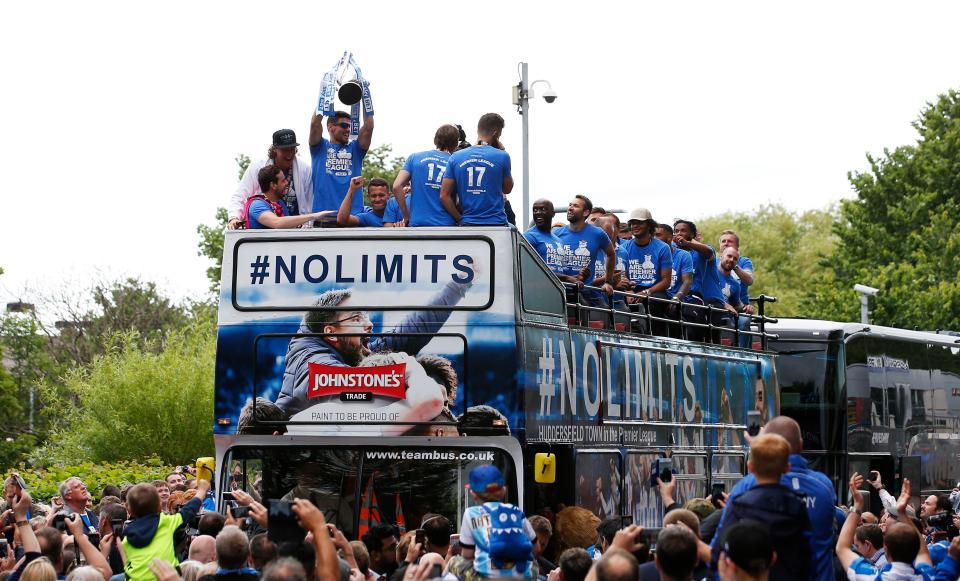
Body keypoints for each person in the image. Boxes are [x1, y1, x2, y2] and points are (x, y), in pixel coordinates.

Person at [276, 276, 473, 418]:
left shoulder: (349, 351)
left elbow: (408, 334)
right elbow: (342, 383)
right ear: (331, 332)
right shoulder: (310, 361)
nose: (369, 324)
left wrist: (458, 286)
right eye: (356, 318)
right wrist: (413, 379)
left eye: (366, 315)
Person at [712, 416, 835, 581]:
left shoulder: (745, 489)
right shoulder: (824, 487)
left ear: (751, 466)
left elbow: (719, 549)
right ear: (800, 445)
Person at [837, 474, 936, 580]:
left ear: (886, 549)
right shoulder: (928, 575)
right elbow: (923, 553)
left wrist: (857, 504)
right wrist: (902, 513)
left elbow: (842, 548)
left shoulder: (871, 576)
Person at [121, 467, 210, 580]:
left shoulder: (126, 537)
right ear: (159, 507)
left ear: (130, 511)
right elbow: (189, 509)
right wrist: (202, 490)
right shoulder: (167, 522)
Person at [452, 465, 536, 580]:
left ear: (473, 494)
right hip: (522, 576)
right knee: (534, 562)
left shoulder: (470, 513)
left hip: (488, 578)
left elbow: (467, 555)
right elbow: (535, 548)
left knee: (455, 561)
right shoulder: (515, 511)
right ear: (503, 491)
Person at [228, 129, 313, 229]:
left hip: (296, 232)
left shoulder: (304, 169)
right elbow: (240, 195)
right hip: (266, 232)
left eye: (292, 149)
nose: (289, 154)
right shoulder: (258, 167)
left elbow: (310, 201)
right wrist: (234, 217)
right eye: (285, 150)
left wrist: (308, 226)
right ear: (275, 149)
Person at [439, 113, 513, 225]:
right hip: (496, 223)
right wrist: (501, 149)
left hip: (468, 223)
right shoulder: (502, 156)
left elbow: (444, 195)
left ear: (478, 130)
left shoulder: (455, 157)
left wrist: (459, 219)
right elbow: (507, 189)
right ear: (495, 133)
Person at [553, 195, 615, 320]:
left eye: (576, 206)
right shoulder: (556, 234)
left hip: (586, 291)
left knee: (605, 317)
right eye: (570, 205)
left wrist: (608, 281)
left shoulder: (597, 233)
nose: (570, 208)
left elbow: (611, 253)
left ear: (586, 212)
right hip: (560, 291)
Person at [309, 107, 374, 219]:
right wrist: (325, 93)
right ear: (330, 127)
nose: (348, 129)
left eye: (349, 126)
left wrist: (364, 94)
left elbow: (368, 127)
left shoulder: (356, 148)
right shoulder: (320, 147)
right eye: (344, 125)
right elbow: (315, 123)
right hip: (323, 217)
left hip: (352, 217)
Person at [672, 220, 728, 343]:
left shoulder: (701, 252)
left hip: (708, 300)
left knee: (709, 336)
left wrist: (688, 242)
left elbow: (708, 252)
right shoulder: (673, 252)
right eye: (676, 231)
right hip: (680, 296)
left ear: (692, 234)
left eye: (683, 230)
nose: (679, 233)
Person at [393, 125, 460, 227]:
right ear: (456, 144)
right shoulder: (456, 162)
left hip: (417, 224)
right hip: (446, 226)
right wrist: (459, 219)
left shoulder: (414, 157)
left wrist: (406, 216)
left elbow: (396, 186)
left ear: (435, 140)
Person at [620, 208, 672, 334]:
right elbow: (622, 275)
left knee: (654, 302)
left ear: (649, 225)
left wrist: (646, 292)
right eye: (632, 223)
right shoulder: (624, 248)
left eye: (639, 222)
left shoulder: (662, 248)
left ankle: (657, 340)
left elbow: (666, 281)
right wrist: (628, 291)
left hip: (654, 291)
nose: (635, 226)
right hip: (631, 290)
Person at [523, 199, 588, 286]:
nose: (538, 212)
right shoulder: (529, 236)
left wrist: (576, 277)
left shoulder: (558, 240)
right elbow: (531, 271)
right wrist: (567, 278)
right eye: (535, 210)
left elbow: (559, 270)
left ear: (553, 213)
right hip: (539, 290)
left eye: (543, 209)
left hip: (558, 291)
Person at [247, 165, 329, 229]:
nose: (287, 183)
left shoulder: (280, 204)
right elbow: (277, 223)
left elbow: (287, 226)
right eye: (283, 181)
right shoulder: (257, 205)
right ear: (273, 185)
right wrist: (313, 216)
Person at [655, 223, 694, 338]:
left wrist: (677, 297)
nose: (654, 239)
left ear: (669, 238)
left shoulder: (684, 255)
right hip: (659, 296)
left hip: (679, 299)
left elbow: (687, 281)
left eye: (658, 235)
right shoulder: (653, 254)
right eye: (653, 235)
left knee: (675, 312)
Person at [336, 177, 404, 227]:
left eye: (381, 195)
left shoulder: (400, 213)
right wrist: (352, 189)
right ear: (368, 197)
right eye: (373, 196)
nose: (377, 199)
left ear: (388, 195)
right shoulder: (366, 217)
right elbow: (342, 220)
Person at [716, 247, 750, 345]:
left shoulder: (735, 284)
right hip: (711, 311)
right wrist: (723, 304)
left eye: (735, 259)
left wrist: (745, 308)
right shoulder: (710, 273)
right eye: (729, 256)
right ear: (721, 255)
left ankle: (741, 355)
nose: (731, 260)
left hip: (727, 317)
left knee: (745, 320)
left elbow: (737, 304)